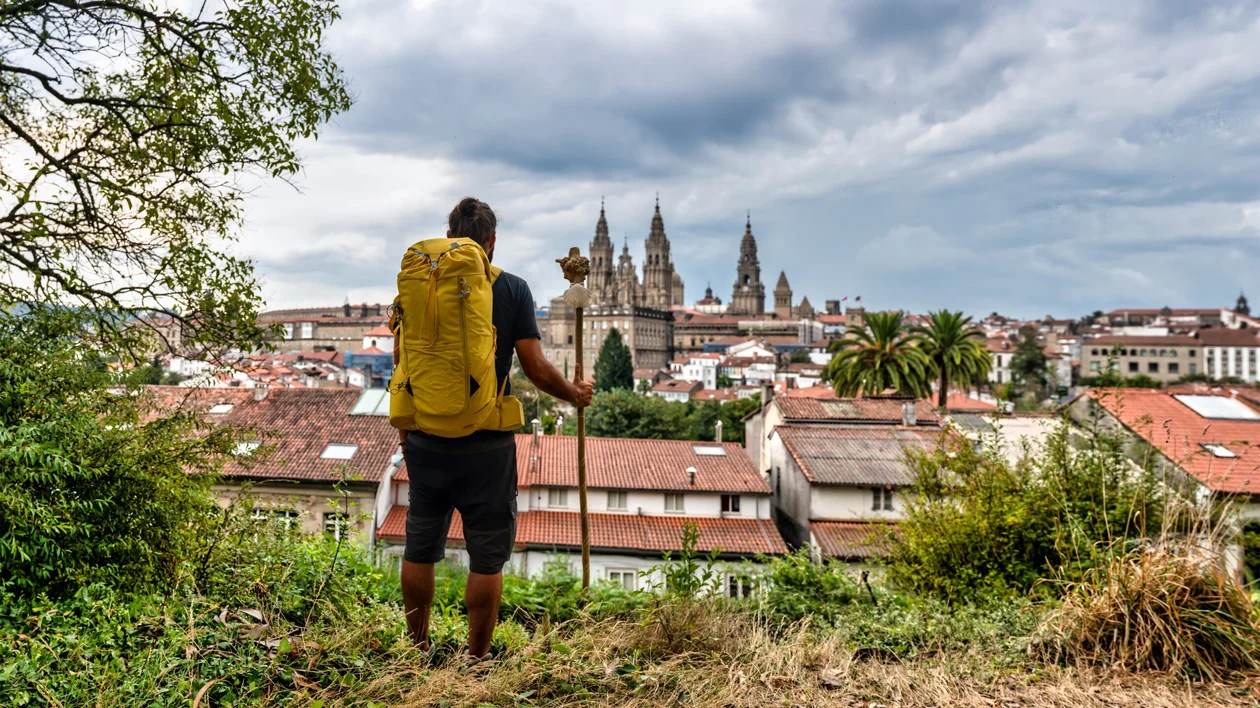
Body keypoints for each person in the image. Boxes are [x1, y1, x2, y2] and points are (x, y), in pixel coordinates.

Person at [394, 197, 593, 660]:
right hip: (487, 445)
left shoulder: (418, 285)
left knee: (419, 548)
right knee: (487, 557)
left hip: (426, 437)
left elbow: (404, 362)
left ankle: (416, 650)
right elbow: (537, 369)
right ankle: (477, 658)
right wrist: (575, 394)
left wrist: (407, 436)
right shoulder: (513, 289)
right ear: (492, 241)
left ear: (449, 238)